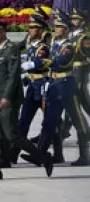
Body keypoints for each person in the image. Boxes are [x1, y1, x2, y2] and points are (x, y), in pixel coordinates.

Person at [0, 13, 54, 180]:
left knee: (12, 135)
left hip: (7, 100)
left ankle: (44, 157)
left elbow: (13, 75)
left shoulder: (11, 49)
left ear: (3, 32)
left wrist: (6, 97)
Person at [32, 9, 89, 165]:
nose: (55, 29)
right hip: (55, 85)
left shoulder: (69, 45)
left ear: (65, 29)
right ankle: (40, 154)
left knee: (78, 120)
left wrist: (38, 63)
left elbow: (60, 61)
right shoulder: (55, 44)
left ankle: (85, 156)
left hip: (69, 85)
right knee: (51, 121)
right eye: (55, 26)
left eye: (59, 26)